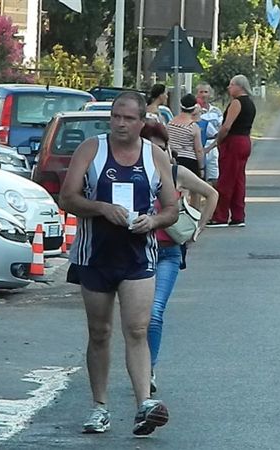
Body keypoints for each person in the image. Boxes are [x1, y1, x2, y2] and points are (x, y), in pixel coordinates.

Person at [59, 91, 178, 436]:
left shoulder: (154, 156)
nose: (120, 124)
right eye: (115, 116)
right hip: (95, 254)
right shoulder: (92, 150)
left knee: (138, 330)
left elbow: (172, 207)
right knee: (99, 332)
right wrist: (101, 208)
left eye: (128, 118)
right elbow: (67, 197)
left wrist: (153, 222)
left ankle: (144, 405)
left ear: (142, 122)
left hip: (138, 255)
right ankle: (99, 407)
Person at [140, 121, 218, 394]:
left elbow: (211, 193)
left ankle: (148, 370)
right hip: (138, 252)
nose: (156, 154)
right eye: (150, 148)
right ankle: (140, 367)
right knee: (137, 318)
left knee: (155, 312)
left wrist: (198, 229)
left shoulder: (177, 172)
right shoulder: (133, 172)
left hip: (167, 254)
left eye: (161, 148)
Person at [206, 74, 256, 228]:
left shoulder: (236, 103)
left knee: (226, 180)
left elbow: (226, 126)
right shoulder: (250, 103)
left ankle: (220, 216)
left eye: (231, 84)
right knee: (238, 179)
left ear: (239, 86)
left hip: (233, 142)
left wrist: (218, 141)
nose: (229, 87)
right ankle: (238, 215)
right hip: (245, 140)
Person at [166, 93, 205, 207]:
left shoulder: (170, 123)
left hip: (174, 159)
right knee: (195, 191)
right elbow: (198, 150)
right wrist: (201, 167)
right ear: (194, 108)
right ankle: (195, 214)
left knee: (176, 189)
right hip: (190, 161)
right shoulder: (193, 127)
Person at [196, 82, 223, 186]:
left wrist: (211, 147)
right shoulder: (194, 111)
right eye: (201, 92)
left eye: (206, 92)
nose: (203, 95)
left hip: (213, 144)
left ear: (210, 94)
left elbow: (221, 130)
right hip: (199, 144)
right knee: (199, 178)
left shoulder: (216, 111)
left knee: (214, 177)